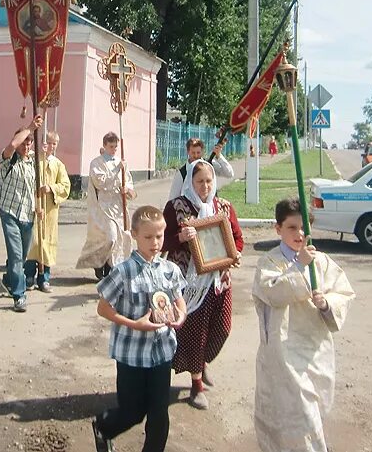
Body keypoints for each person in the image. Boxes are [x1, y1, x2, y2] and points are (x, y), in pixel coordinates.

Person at [252, 197, 356, 452]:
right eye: (291, 227)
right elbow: (272, 292)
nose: (299, 234)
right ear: (278, 229)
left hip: (315, 350)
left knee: (314, 411)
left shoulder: (320, 261)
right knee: (298, 416)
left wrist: (326, 303)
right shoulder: (270, 262)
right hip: (283, 354)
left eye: (303, 227)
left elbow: (343, 292)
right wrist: (299, 266)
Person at [91, 205, 187, 452]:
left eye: (159, 236)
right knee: (133, 412)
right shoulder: (123, 271)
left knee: (159, 416)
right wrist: (135, 324)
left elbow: (178, 299)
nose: (155, 243)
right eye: (148, 237)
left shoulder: (170, 269)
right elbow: (103, 308)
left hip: (162, 352)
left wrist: (181, 314)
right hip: (131, 354)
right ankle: (104, 427)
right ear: (134, 235)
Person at [162, 160, 244, 409]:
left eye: (209, 181)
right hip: (189, 283)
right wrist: (179, 237)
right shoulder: (177, 207)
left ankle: (201, 362)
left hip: (219, 280)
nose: (205, 186)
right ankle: (196, 383)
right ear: (190, 183)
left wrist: (235, 254)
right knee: (196, 333)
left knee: (223, 327)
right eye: (200, 182)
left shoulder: (223, 207)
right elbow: (161, 241)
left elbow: (238, 239)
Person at [0, 116, 43, 312]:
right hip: (9, 212)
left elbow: (35, 187)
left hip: (28, 215)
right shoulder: (8, 159)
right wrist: (30, 128)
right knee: (16, 255)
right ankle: (19, 295)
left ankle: (9, 279)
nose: (26, 145)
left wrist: (38, 206)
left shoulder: (33, 162)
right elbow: (12, 145)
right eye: (23, 142)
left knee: (22, 256)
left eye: (29, 142)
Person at [77, 132, 136, 278]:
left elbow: (130, 185)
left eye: (116, 147)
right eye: (111, 146)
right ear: (104, 145)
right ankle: (100, 263)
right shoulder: (97, 163)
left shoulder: (121, 163)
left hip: (118, 207)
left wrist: (127, 190)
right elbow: (100, 182)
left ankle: (111, 269)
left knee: (120, 239)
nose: (114, 150)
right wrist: (117, 170)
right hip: (102, 207)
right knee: (110, 238)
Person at [24, 130, 70, 293]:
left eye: (54, 143)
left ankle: (44, 278)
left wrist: (51, 188)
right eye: (49, 142)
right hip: (34, 206)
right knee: (33, 242)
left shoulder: (58, 164)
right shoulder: (34, 159)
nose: (51, 146)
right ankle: (29, 275)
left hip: (50, 210)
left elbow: (65, 185)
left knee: (47, 242)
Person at [167, 138, 234, 201]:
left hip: (210, 209)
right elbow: (173, 198)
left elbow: (229, 174)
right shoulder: (182, 173)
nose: (196, 156)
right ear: (188, 152)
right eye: (193, 153)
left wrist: (219, 156)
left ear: (202, 152)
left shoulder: (209, 165)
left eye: (198, 152)